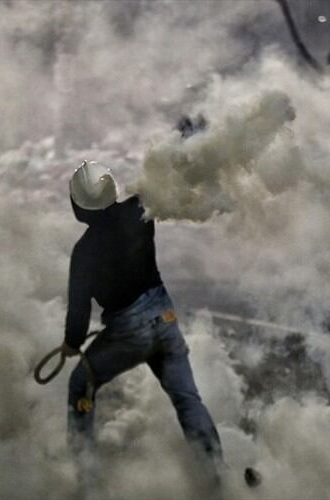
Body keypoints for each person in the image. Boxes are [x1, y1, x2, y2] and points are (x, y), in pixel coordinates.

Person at [62, 160, 223, 470]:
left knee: (81, 384)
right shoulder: (138, 211)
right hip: (165, 318)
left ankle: (85, 479)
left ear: (79, 206)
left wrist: (71, 344)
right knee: (187, 399)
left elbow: (79, 314)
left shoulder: (83, 253)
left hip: (128, 332)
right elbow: (168, 174)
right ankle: (217, 473)